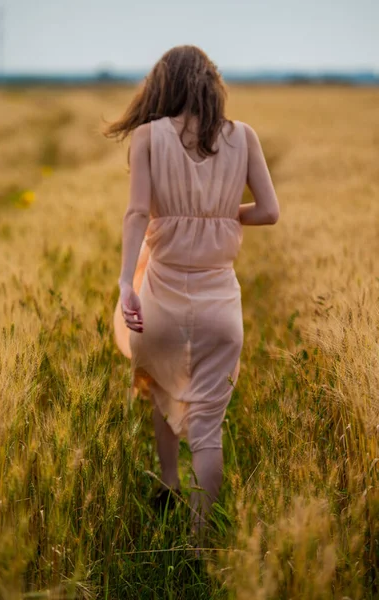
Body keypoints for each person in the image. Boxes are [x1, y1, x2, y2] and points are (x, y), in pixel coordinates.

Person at [104, 45, 279, 538]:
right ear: (211, 85)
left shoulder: (147, 137)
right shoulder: (244, 137)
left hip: (159, 296)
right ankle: (201, 541)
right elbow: (268, 211)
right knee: (207, 427)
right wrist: (222, 215)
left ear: (164, 86)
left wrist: (124, 283)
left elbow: (137, 212)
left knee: (161, 386)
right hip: (220, 305)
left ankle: (167, 482)